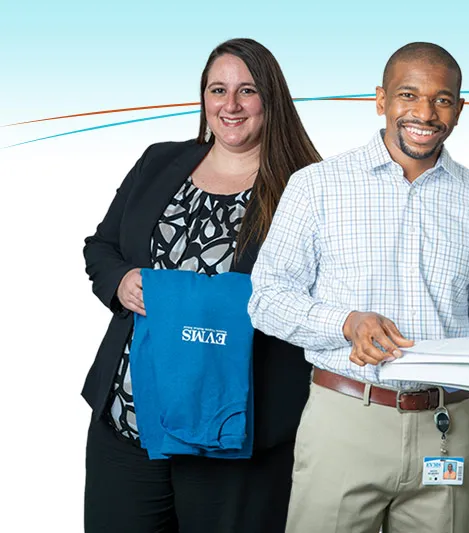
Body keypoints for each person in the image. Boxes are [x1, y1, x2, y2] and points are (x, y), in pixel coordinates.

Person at [248, 42, 469, 533]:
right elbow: (266, 299)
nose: (424, 113)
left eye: (441, 100)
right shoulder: (318, 186)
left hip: (447, 426)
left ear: (459, 109)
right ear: (381, 99)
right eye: (408, 95)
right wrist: (346, 322)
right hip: (346, 418)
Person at [82, 38, 321, 533]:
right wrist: (121, 281)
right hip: (131, 422)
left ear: (270, 99)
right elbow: (100, 247)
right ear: (204, 98)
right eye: (218, 90)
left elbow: (328, 298)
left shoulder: (307, 187)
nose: (230, 105)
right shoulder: (159, 162)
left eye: (247, 91)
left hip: (236, 434)